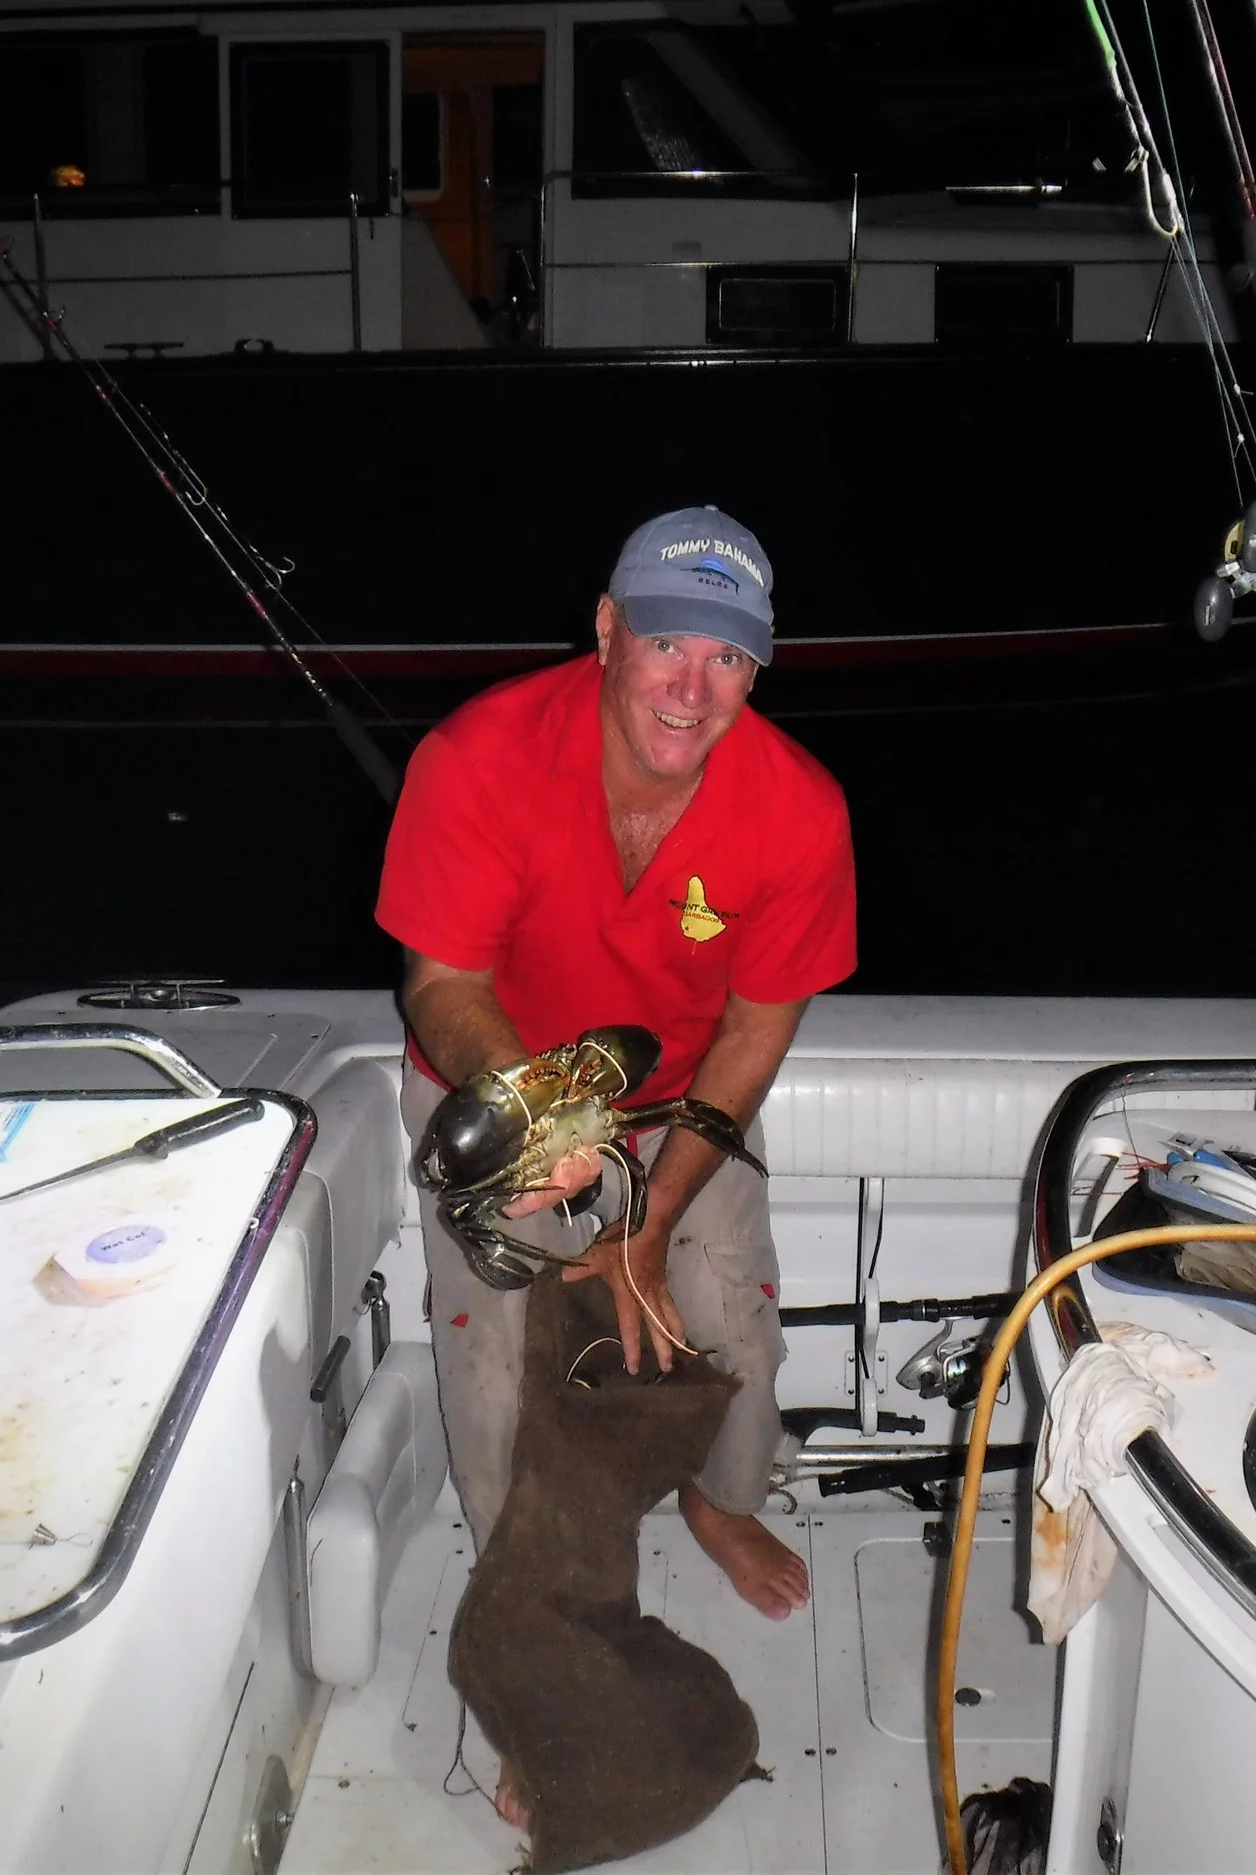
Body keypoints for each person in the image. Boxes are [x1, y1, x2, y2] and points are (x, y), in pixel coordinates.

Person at [376, 506, 856, 1640]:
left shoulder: (800, 812)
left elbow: (751, 1036)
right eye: (668, 644)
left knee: (732, 1320)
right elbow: (442, 987)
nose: (693, 688)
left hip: (678, 1100)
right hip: (488, 1086)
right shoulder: (475, 758)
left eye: (729, 656)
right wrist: (541, 1123)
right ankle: (528, 1598)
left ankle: (720, 1499)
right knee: (496, 1365)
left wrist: (649, 1223)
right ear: (606, 630)